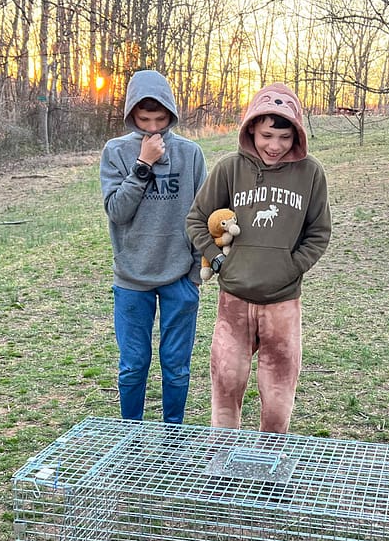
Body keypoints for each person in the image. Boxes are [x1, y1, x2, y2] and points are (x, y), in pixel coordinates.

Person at [186, 83, 331, 434]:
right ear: (251, 127)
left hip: (282, 304)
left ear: (296, 135)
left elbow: (319, 232)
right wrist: (219, 262)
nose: (275, 146)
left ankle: (272, 463)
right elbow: (196, 220)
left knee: (278, 391)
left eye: (284, 137)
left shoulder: (311, 173)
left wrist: (291, 266)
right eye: (267, 135)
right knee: (226, 383)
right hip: (234, 300)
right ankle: (221, 461)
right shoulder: (229, 169)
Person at [100, 69, 208, 424]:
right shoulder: (115, 152)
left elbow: (201, 215)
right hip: (131, 278)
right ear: (132, 115)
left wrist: (194, 273)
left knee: (176, 367)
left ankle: (172, 438)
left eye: (160, 119)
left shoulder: (190, 154)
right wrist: (143, 164)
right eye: (144, 119)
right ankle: (131, 435)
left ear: (172, 114)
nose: (153, 128)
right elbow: (117, 211)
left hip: (179, 277)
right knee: (133, 366)